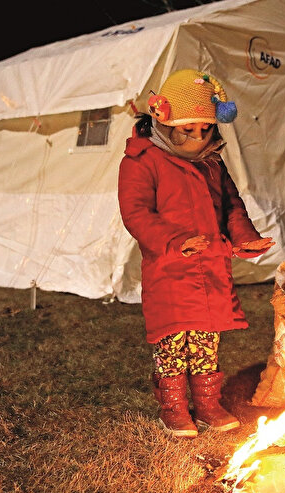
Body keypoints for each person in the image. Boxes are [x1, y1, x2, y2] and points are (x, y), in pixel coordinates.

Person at [118, 69, 275, 439]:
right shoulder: (142, 160)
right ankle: (173, 409)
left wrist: (243, 238)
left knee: (205, 341)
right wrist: (174, 243)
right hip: (170, 269)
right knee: (173, 342)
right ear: (164, 119)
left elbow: (231, 206)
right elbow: (136, 213)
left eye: (205, 129)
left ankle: (207, 405)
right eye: (189, 128)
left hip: (211, 268)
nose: (198, 136)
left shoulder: (212, 162)